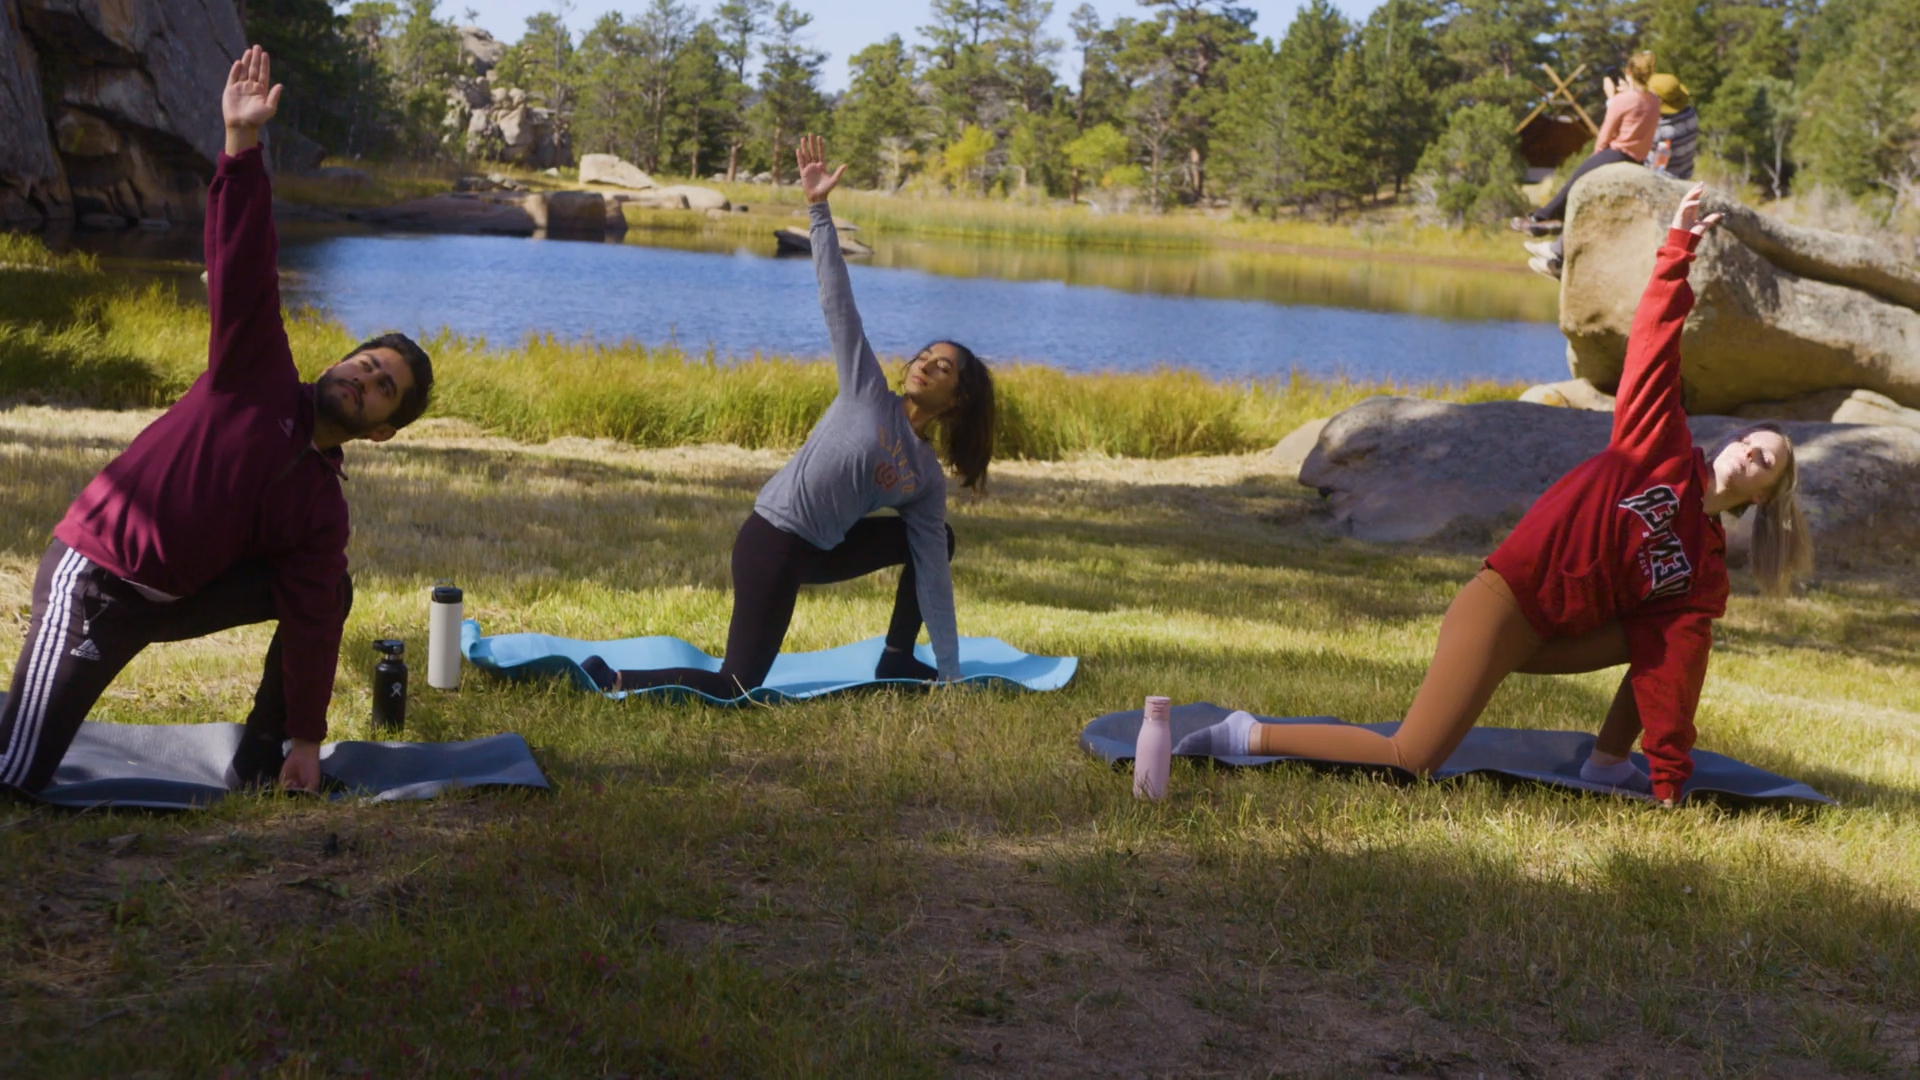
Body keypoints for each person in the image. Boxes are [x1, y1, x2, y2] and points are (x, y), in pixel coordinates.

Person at [1178, 184, 1812, 807]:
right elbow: (1653, 347)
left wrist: (1670, 780)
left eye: (1766, 462)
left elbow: (1678, 669)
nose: (1750, 453)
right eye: (1751, 441)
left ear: (1761, 496)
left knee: (1672, 631)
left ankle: (1609, 763)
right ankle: (1246, 732)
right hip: (1508, 605)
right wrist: (1677, 252)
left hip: (1561, 635)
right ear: (1729, 440)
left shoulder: (1701, 567)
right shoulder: (1659, 450)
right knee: (1413, 756)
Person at [0, 46, 435, 794]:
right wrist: (240, 144)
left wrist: (308, 738)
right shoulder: (256, 376)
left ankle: (264, 760)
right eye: (366, 363)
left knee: (325, 591)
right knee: (14, 776)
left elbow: (311, 623)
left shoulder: (321, 507)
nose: (366, 377)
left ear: (381, 432)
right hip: (97, 584)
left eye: (385, 388)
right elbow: (244, 263)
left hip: (177, 596)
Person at [579, 134, 995, 699]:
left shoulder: (924, 476)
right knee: (736, 685)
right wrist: (818, 210)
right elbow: (837, 298)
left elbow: (933, 576)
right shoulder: (866, 388)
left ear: (959, 398)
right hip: (771, 541)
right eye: (925, 356)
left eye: (942, 367)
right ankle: (616, 678)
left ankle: (898, 658)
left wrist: (950, 670)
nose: (925, 364)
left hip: (822, 550)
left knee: (935, 541)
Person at [1514, 52, 1664, 278]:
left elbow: (1605, 134)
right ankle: (1556, 245)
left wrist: (1596, 156)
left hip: (1616, 153)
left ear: (1628, 72)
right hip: (1638, 160)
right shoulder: (1654, 100)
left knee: (1574, 182)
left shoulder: (1622, 100)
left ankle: (1539, 218)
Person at [1646, 73, 1698, 181]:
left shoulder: (1661, 130)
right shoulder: (1691, 114)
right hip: (1685, 174)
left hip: (1668, 180)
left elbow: (1657, 170)